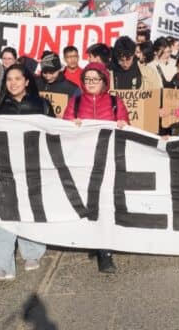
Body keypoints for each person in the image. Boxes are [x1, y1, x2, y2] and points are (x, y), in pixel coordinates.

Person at [63, 62, 129, 274]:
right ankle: (91, 240)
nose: (91, 83)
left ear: (104, 81)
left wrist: (122, 124)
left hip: (108, 160)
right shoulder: (75, 101)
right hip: (83, 161)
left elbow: (126, 126)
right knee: (87, 203)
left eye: (95, 79)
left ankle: (105, 251)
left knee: (106, 204)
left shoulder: (115, 101)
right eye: (87, 79)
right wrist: (72, 124)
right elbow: (64, 127)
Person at [0, 65, 52, 282]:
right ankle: (2, 264)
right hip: (4, 165)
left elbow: (53, 133)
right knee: (4, 212)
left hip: (32, 164)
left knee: (28, 209)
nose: (12, 83)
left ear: (27, 81)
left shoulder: (41, 104)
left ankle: (32, 252)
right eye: (8, 79)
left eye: (17, 78)